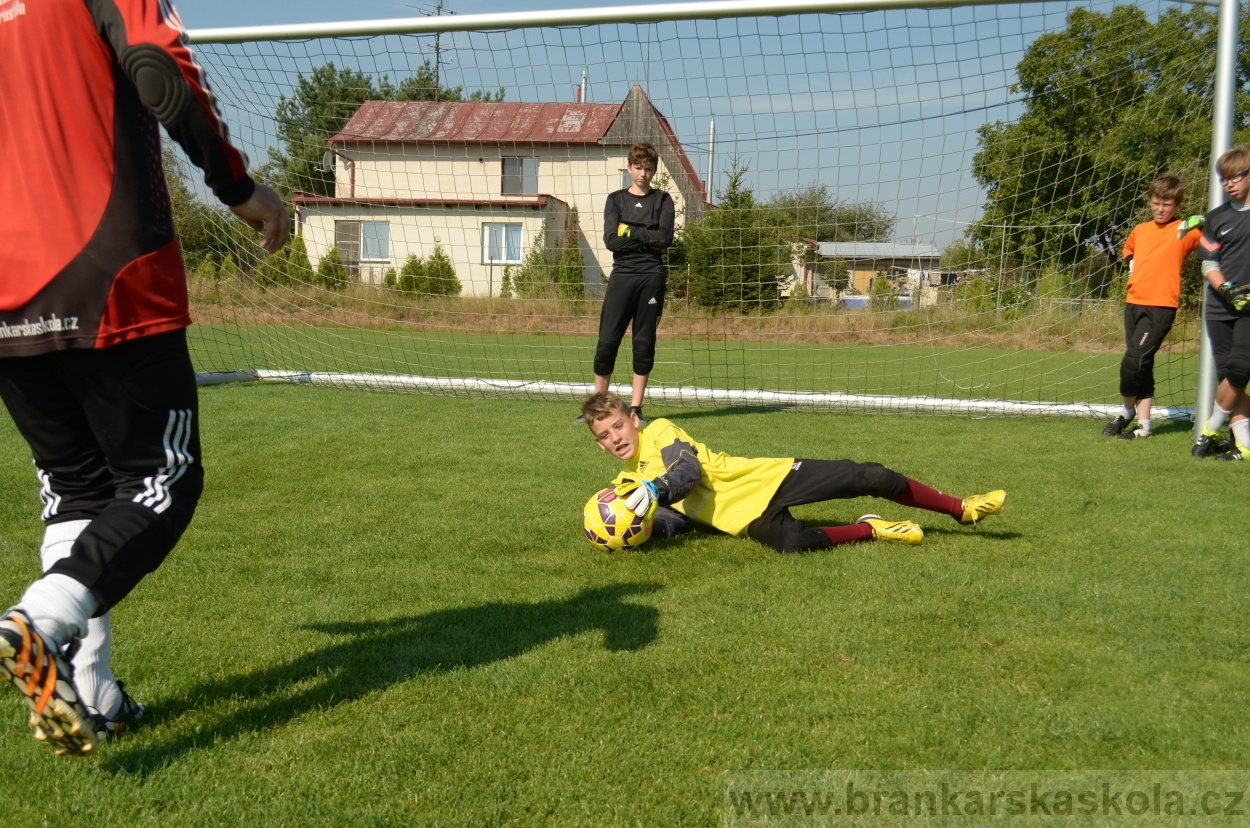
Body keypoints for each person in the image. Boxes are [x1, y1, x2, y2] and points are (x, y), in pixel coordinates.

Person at [0, 0, 290, 756]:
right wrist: (237, 187)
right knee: (164, 478)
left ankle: (90, 690)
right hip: (106, 264)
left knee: (77, 487)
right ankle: (41, 620)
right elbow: (158, 65)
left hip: (4, 289)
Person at [580, 392, 1006, 551]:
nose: (615, 437)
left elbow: (686, 470)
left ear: (632, 419)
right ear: (599, 444)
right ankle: (872, 529)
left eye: (618, 426)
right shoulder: (625, 486)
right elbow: (675, 522)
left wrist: (657, 489)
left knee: (869, 477)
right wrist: (639, 530)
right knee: (793, 542)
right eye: (604, 435)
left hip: (769, 479)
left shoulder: (660, 431)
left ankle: (961, 508)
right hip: (745, 519)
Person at [576, 143, 675, 427]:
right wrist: (649, 238)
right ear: (629, 168)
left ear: (654, 170)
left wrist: (629, 230)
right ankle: (598, 408)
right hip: (622, 277)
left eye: (649, 169)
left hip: (651, 278)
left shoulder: (663, 200)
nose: (643, 174)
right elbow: (611, 241)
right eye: (638, 168)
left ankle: (635, 409)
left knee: (643, 344)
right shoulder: (616, 200)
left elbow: (665, 239)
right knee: (607, 342)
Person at [1101, 176, 1202, 440]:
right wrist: (1132, 262)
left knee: (1133, 361)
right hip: (1133, 302)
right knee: (1142, 364)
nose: (1160, 208)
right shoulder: (1141, 229)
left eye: (1166, 204)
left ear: (1177, 205)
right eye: (1156, 203)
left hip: (1161, 306)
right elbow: (1128, 247)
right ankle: (1144, 426)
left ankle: (1126, 412)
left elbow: (1216, 239)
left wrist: (1203, 220)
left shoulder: (1184, 230)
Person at [1193, 147, 1250, 461]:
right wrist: (1228, 291)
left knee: (1240, 369)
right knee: (1228, 376)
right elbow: (1208, 264)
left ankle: (1211, 428)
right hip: (1220, 307)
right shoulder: (1216, 218)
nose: (1228, 184)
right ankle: (1244, 445)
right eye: (1223, 179)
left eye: (1235, 177)